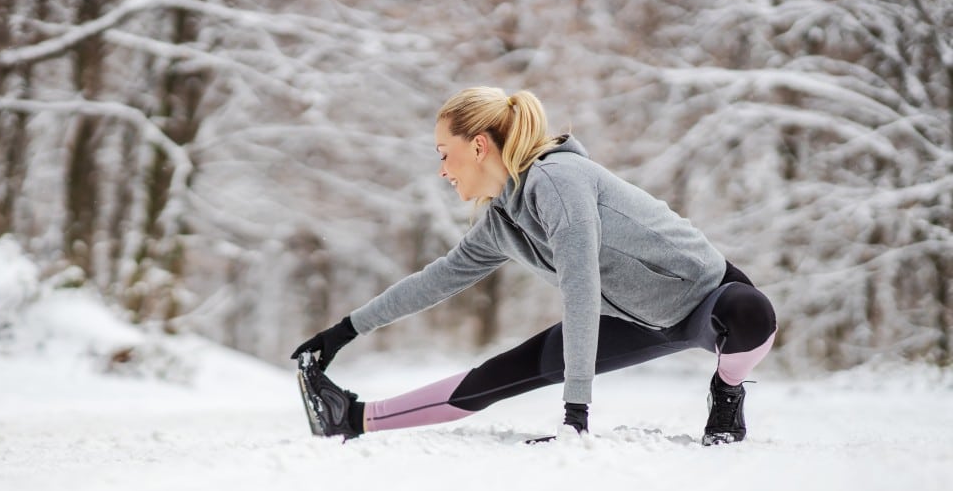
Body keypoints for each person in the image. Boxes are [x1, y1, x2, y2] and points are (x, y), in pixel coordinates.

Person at [292, 86, 777, 445]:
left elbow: (581, 287)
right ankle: (350, 418)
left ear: (478, 146)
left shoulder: (557, 180)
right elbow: (434, 281)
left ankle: (727, 389)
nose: (441, 170)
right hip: (636, 320)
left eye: (444, 154)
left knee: (751, 313)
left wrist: (575, 415)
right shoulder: (501, 221)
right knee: (501, 374)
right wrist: (343, 331)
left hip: (710, 302)